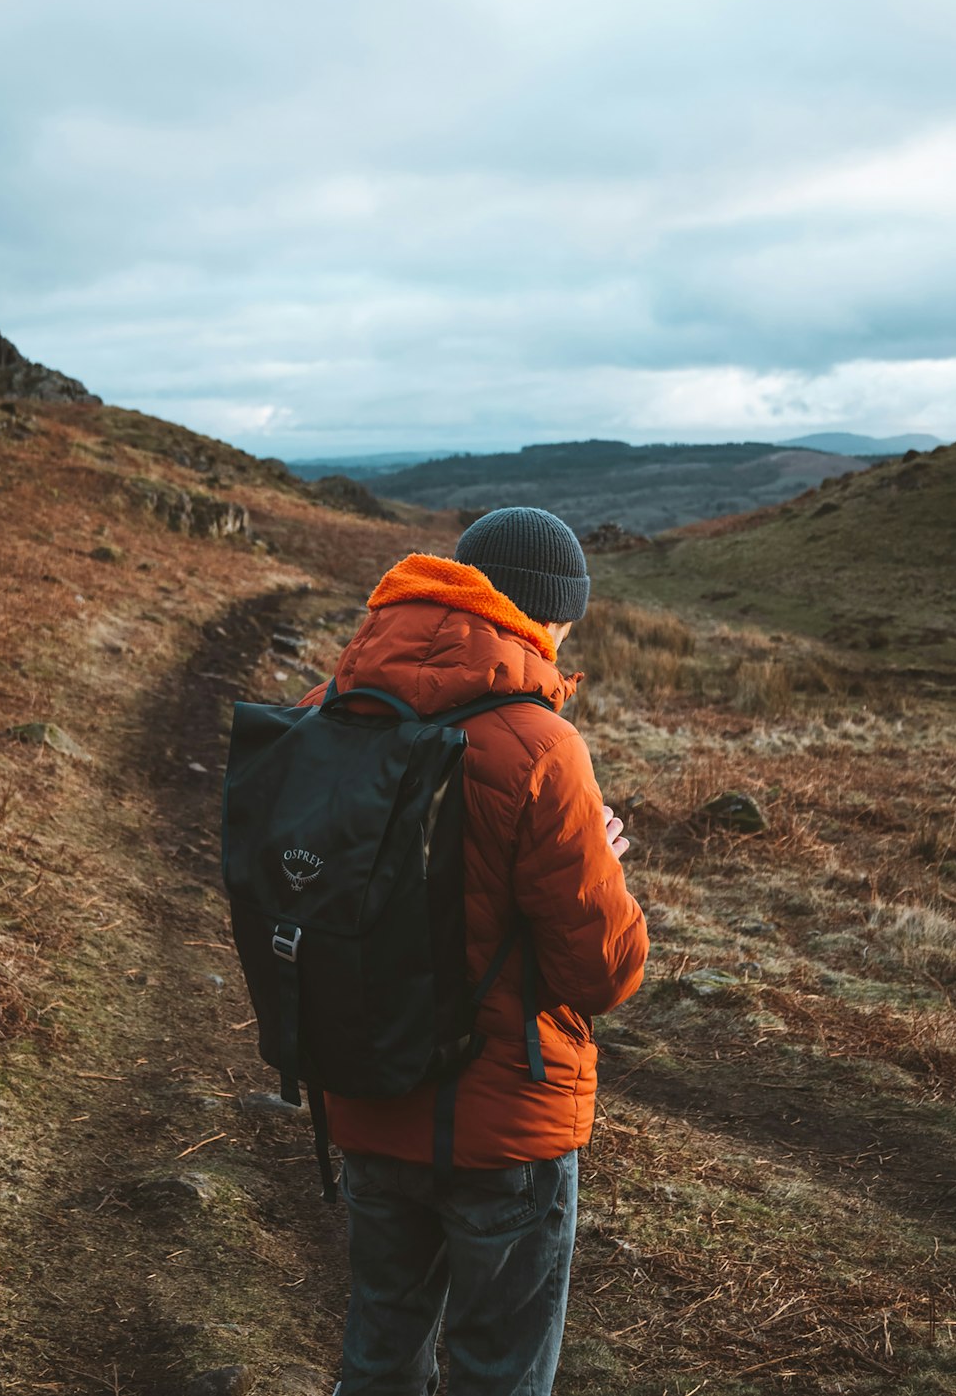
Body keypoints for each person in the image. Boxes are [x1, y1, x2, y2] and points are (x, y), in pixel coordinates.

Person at [303, 506, 648, 1396]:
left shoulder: (330, 708)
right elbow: (602, 972)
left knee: (379, 1357)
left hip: (369, 1091)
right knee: (499, 1371)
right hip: (509, 1130)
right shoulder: (540, 745)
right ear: (547, 614)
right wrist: (598, 859)